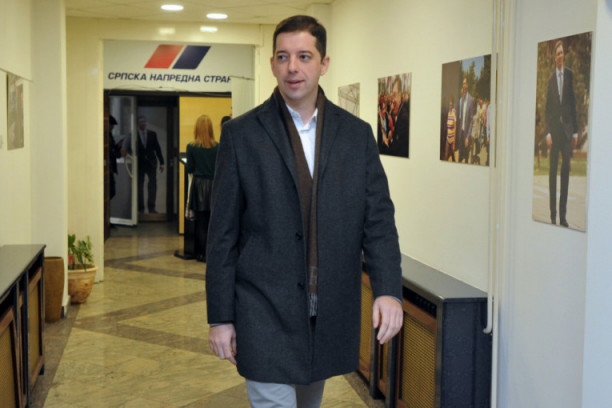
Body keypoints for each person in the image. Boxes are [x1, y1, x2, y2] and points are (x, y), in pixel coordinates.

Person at [206, 15, 403, 408]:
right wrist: (220, 317)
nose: (292, 67)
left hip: (326, 312)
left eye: (304, 56)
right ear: (272, 64)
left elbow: (378, 222)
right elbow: (222, 235)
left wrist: (387, 291)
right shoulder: (242, 135)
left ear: (324, 63)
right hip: (263, 310)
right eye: (283, 57)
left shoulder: (356, 136)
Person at [545, 40, 577, 227]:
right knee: (552, 174)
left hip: (566, 132)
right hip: (554, 134)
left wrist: (575, 132)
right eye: (557, 53)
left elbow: (572, 104)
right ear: (554, 57)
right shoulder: (550, 80)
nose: (560, 56)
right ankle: (553, 216)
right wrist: (547, 133)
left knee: (565, 171)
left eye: (562, 53)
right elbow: (548, 110)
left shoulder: (569, 75)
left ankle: (563, 217)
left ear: (564, 55)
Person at [186, 115, 219, 262]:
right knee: (212, 222)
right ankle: (210, 253)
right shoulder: (218, 147)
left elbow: (189, 168)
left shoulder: (191, 147)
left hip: (199, 186)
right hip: (213, 186)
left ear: (197, 129)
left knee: (200, 222)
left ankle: (201, 253)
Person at [121, 115, 165, 213]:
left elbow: (157, 149)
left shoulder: (152, 134)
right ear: (138, 124)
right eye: (141, 122)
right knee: (139, 186)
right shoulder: (133, 135)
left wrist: (162, 163)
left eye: (144, 122)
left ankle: (151, 208)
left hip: (151, 163)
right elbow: (126, 149)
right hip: (139, 164)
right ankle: (140, 208)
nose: (143, 124)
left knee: (152, 185)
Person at [386, 76, 410, 157]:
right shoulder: (399, 113)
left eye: (395, 95)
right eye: (392, 96)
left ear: (400, 95)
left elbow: (397, 151)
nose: (393, 100)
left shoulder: (403, 118)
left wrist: (389, 141)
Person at [457, 76, 474, 164]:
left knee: (466, 159)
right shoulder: (461, 100)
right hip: (461, 133)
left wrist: (468, 136)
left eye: (465, 83)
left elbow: (471, 120)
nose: (464, 85)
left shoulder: (470, 100)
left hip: (466, 135)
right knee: (459, 158)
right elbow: (460, 117)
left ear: (467, 85)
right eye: (463, 83)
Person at [108, 115, 120, 199]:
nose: (112, 127)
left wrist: (118, 146)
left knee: (111, 191)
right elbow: (111, 152)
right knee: (110, 191)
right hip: (109, 167)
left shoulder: (109, 135)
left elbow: (112, 149)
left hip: (110, 167)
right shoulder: (106, 136)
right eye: (111, 125)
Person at [445, 95, 457, 161]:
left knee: (453, 157)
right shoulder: (448, 113)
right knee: (446, 156)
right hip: (448, 138)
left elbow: (455, 127)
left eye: (451, 105)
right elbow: (447, 127)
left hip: (452, 139)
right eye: (449, 105)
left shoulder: (454, 113)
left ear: (453, 105)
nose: (450, 106)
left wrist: (454, 142)